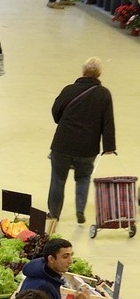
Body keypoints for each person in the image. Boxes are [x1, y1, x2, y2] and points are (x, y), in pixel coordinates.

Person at [48, 58, 117, 230]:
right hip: (87, 147)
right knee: (83, 178)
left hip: (63, 143)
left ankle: (54, 213)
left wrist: (62, 123)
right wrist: (109, 147)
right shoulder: (104, 94)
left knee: (58, 179)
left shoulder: (69, 90)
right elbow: (108, 121)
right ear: (99, 74)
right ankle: (80, 210)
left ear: (83, 72)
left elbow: (56, 111)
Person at [19, 238, 91, 299]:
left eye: (71, 255)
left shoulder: (47, 276)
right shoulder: (42, 287)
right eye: (65, 257)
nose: (70, 261)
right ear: (51, 259)